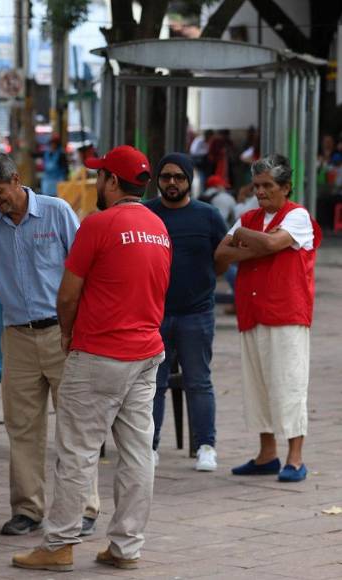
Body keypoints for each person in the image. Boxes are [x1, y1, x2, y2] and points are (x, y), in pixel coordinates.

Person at [13, 145, 170, 572]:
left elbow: (67, 295)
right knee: (137, 454)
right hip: (146, 353)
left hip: (100, 352)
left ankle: (59, 544)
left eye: (100, 175)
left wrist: (67, 333)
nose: (96, 182)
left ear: (113, 181)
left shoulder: (99, 225)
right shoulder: (158, 226)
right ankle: (126, 547)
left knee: (76, 452)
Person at [0, 152, 100, 537]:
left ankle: (83, 508)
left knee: (75, 426)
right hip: (18, 337)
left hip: (63, 333)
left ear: (16, 179)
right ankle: (28, 509)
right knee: (22, 427)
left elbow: (85, 269)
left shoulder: (57, 212)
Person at [214, 154, 322, 483]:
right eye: (257, 185)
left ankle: (295, 458)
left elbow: (273, 242)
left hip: (286, 312)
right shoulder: (250, 217)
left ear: (285, 187)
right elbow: (220, 256)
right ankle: (267, 454)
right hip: (253, 311)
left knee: (289, 383)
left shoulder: (298, 216)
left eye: (267, 185)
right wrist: (260, 245)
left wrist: (245, 239)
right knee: (257, 385)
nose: (260, 191)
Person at [144, 153, 228, 472]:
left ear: (189, 180)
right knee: (153, 384)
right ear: (157, 180)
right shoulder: (146, 214)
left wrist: (203, 282)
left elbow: (222, 258)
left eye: (179, 177)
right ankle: (149, 446)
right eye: (166, 176)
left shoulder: (208, 216)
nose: (172, 182)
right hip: (154, 314)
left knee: (198, 381)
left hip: (197, 313)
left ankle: (206, 446)